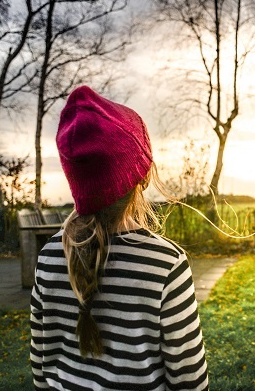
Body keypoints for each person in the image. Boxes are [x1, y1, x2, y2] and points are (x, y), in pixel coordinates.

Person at [30, 86, 209, 390]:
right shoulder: (166, 265)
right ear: (143, 174)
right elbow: (190, 381)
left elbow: (41, 367)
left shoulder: (49, 255)